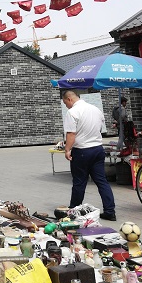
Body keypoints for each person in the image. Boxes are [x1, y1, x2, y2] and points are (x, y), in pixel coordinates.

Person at [62, 91, 116, 222]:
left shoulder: (73, 112)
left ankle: (73, 211)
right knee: (102, 181)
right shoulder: (95, 109)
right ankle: (110, 211)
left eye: (65, 103)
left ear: (69, 99)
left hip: (82, 151)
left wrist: (67, 149)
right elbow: (100, 127)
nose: (66, 106)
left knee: (79, 182)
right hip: (98, 149)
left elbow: (71, 134)